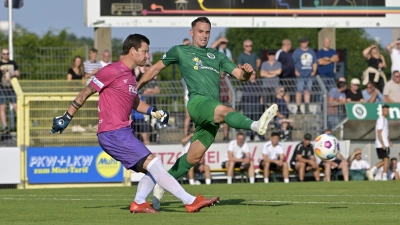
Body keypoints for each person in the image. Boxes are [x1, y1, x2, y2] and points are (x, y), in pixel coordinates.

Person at [50, 34, 219, 214]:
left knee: (152, 169)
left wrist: (154, 111)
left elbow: (135, 102)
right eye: (145, 51)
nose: (147, 56)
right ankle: (190, 201)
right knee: (155, 165)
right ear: (132, 51)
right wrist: (67, 116)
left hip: (122, 132)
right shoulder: (111, 70)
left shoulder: (130, 76)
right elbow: (85, 92)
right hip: (113, 133)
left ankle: (139, 202)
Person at [137, 17, 278, 210]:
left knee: (193, 157)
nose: (204, 35)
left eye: (207, 32)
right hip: (197, 103)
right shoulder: (180, 51)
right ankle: (255, 125)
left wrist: (246, 72)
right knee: (224, 110)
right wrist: (135, 87)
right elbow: (154, 69)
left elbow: (240, 76)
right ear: (192, 32)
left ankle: (162, 182)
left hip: (210, 112)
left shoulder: (217, 56)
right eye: (200, 31)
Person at [292, 37, 317, 114]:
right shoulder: (297, 52)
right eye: (302, 42)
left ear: (307, 42)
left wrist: (314, 71)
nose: (304, 43)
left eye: (305, 42)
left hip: (309, 75)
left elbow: (315, 62)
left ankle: (307, 108)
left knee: (307, 91)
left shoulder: (311, 51)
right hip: (300, 75)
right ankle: (298, 108)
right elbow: (293, 62)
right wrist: (295, 71)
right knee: (299, 91)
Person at [370, 104, 392, 181]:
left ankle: (372, 170)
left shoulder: (385, 120)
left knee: (385, 161)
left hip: (385, 143)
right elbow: (379, 132)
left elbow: (385, 133)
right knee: (386, 160)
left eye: (388, 110)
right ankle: (384, 177)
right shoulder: (381, 120)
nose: (387, 112)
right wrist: (382, 143)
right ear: (382, 111)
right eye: (385, 110)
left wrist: (389, 141)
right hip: (381, 144)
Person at [0, 48, 19, 134]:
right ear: (1, 54)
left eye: (7, 53)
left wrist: (15, 73)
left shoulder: (12, 63)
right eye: (4, 54)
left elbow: (18, 72)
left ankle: (21, 124)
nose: (6, 55)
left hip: (11, 88)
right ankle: (5, 127)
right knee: (2, 107)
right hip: (2, 88)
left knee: (16, 106)